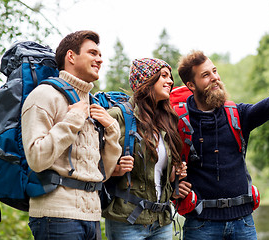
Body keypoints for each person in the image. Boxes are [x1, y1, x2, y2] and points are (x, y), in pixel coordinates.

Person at [176, 50, 269, 240]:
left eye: (214, 71)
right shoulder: (178, 122)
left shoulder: (236, 114)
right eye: (206, 75)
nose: (215, 77)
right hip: (201, 225)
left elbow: (268, 107)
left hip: (243, 223)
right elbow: (163, 163)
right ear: (191, 85)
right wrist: (175, 185)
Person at [21, 30, 122, 240]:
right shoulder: (43, 95)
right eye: (93, 53)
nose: (100, 59)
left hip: (92, 216)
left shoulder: (93, 104)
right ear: (71, 56)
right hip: (56, 216)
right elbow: (36, 159)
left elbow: (103, 172)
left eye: (100, 54)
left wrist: (112, 130)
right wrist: (74, 119)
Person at [103, 58, 187, 240]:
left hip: (161, 220)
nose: (171, 81)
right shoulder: (117, 116)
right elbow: (89, 163)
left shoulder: (167, 120)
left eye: (170, 77)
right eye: (163, 76)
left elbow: (158, 173)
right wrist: (115, 170)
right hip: (126, 221)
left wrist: (175, 173)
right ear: (146, 81)